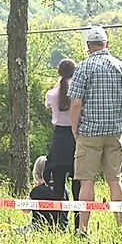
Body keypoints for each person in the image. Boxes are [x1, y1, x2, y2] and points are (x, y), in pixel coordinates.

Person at [67, 26, 122, 233]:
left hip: (89, 133)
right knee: (115, 181)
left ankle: (83, 229)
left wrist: (75, 129)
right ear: (107, 44)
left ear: (88, 46)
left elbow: (76, 104)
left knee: (86, 182)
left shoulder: (83, 68)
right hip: (114, 133)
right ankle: (120, 228)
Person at [45, 58, 81, 231]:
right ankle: (78, 225)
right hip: (75, 137)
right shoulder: (78, 93)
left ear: (59, 73)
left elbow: (49, 107)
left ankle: (57, 225)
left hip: (59, 139)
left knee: (58, 188)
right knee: (78, 186)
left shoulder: (51, 94)